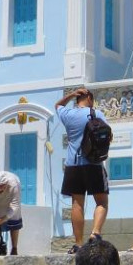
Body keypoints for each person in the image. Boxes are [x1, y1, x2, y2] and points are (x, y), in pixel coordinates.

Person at [55, 87, 110, 254]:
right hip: (93, 163)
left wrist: (71, 94)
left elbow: (57, 105)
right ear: (90, 99)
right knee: (101, 202)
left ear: (77, 99)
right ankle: (95, 233)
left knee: (77, 204)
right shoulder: (96, 114)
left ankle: (78, 244)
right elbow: (108, 136)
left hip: (73, 164)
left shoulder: (68, 114)